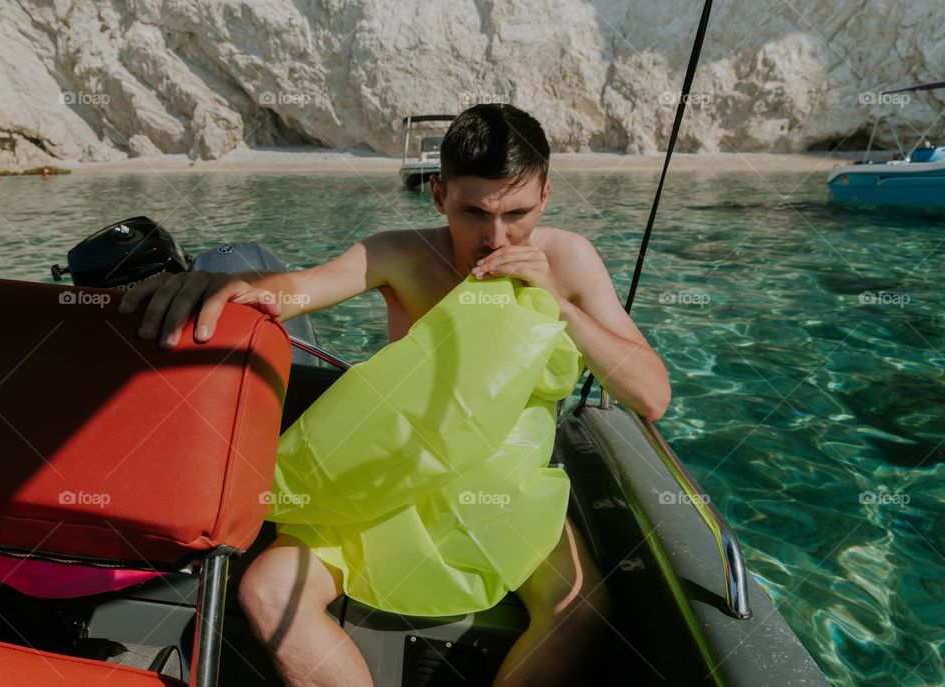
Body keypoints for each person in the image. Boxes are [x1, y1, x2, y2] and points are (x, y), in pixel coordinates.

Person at [119, 103, 671, 686]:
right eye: (473, 212)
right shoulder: (401, 254)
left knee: (581, 611)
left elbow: (651, 394)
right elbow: (294, 291)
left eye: (518, 213)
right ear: (438, 194)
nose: (495, 237)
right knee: (267, 589)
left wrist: (556, 305)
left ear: (546, 194)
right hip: (384, 482)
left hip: (507, 489)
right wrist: (225, 284)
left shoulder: (568, 260)